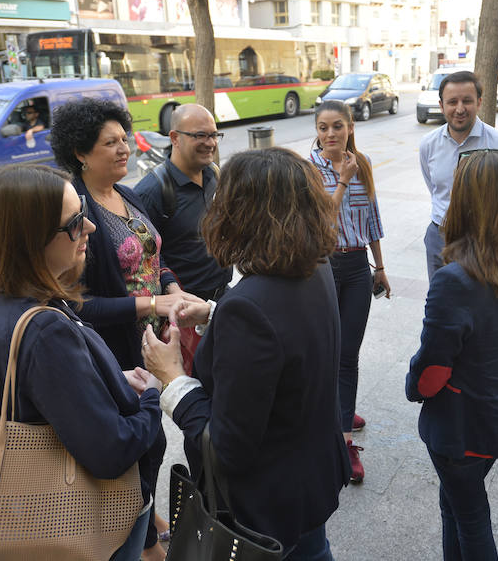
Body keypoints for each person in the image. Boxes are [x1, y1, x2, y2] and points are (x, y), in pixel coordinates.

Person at [143, 147, 351, 560]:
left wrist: (173, 381)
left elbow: (229, 447)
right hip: (310, 482)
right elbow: (286, 337)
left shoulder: (251, 306)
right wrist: (215, 314)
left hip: (267, 507)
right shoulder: (316, 264)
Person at [0, 163, 163, 560]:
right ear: (29, 239)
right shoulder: (43, 330)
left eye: (85, 212)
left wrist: (107, 379)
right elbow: (111, 450)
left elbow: (39, 394)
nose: (89, 228)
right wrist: (153, 397)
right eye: (74, 223)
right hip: (88, 517)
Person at [49, 98, 200, 560]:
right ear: (80, 152)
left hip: (155, 340)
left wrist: (175, 290)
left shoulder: (128, 192)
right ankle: (146, 539)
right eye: (109, 143)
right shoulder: (79, 212)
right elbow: (80, 304)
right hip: (118, 350)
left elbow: (156, 255)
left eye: (123, 140)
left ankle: (145, 511)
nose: (123, 150)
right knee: (145, 442)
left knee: (151, 438)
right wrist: (153, 302)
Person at [406, 150, 498, 561]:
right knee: (455, 506)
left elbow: (433, 368)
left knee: (469, 516)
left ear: (463, 200)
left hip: (460, 426)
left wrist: (413, 388)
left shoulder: (456, 278)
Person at [309, 100, 390, 484]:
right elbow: (321, 218)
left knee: (348, 355)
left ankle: (343, 431)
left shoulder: (364, 164)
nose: (330, 135)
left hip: (358, 267)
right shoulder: (308, 168)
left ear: (350, 127)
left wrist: (381, 266)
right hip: (323, 267)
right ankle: (335, 417)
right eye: (323, 127)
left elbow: (371, 217)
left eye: (337, 126)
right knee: (326, 350)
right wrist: (342, 179)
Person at [420, 71, 498, 277]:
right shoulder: (428, 144)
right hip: (439, 236)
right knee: (441, 302)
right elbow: (434, 187)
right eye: (452, 102)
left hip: (485, 240)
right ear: (441, 105)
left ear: (479, 102)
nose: (459, 109)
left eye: (467, 101)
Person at [136, 104, 233, 302]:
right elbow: (147, 257)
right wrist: (171, 290)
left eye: (214, 135)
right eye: (200, 136)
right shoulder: (152, 191)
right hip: (186, 308)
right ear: (174, 138)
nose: (211, 143)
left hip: (223, 295)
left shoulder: (214, 173)